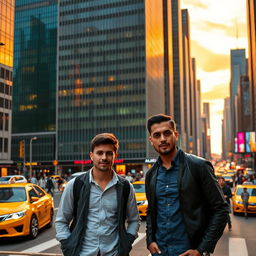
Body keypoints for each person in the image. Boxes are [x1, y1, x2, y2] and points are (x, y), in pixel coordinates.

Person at [145, 114, 229, 256]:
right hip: (159, 251)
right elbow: (151, 211)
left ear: (175, 135)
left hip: (189, 251)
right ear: (151, 140)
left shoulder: (199, 166)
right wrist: (150, 240)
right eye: (157, 135)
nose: (163, 139)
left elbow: (221, 209)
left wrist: (201, 249)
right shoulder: (151, 175)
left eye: (167, 133)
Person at [55, 133, 140, 256]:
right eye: (99, 153)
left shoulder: (126, 187)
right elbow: (62, 220)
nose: (104, 157)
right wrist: (68, 247)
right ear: (91, 156)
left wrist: (127, 243)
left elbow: (134, 220)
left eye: (109, 153)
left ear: (115, 155)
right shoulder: (75, 185)